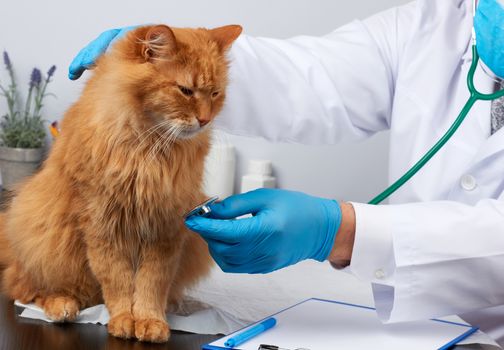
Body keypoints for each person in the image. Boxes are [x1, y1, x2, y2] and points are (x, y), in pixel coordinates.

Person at [69, 0, 504, 345]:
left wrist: (345, 231)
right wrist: (166, 56)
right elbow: (313, 78)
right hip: (422, 325)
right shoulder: (440, 21)